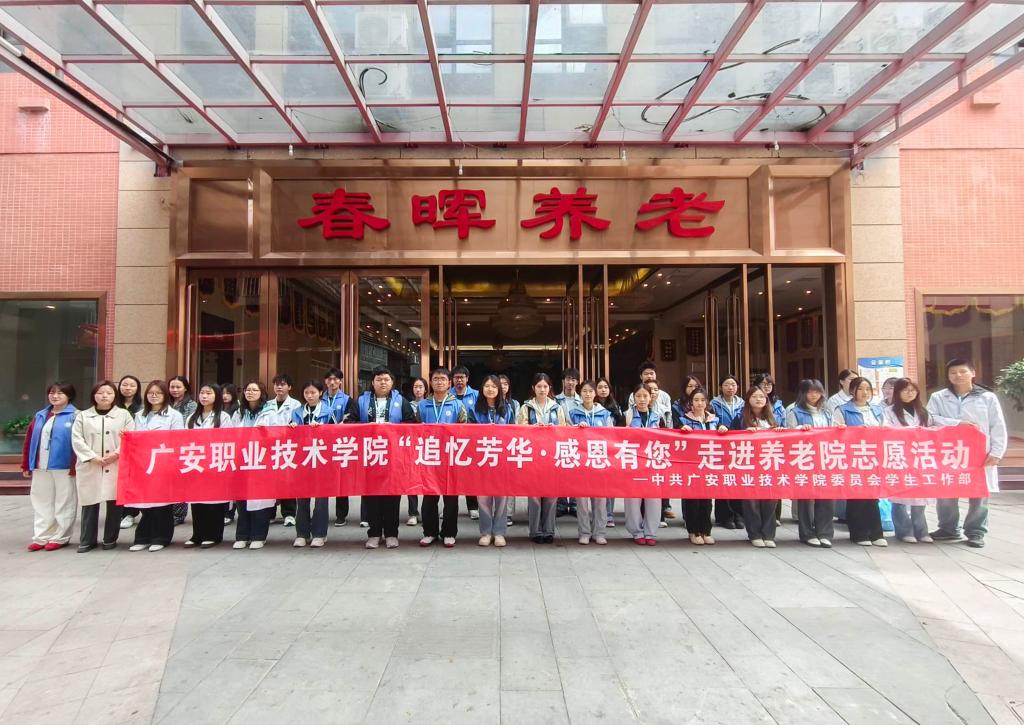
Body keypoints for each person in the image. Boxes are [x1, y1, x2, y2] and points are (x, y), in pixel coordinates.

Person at [927, 359, 1008, 548]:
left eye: (962, 371)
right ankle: (948, 528)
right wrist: (957, 423)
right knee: (946, 490)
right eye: (953, 372)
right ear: (948, 376)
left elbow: (998, 425)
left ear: (973, 373)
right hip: (948, 452)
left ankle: (976, 532)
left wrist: (997, 452)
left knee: (979, 493)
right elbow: (930, 419)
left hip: (979, 453)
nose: (958, 375)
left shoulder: (987, 397)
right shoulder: (939, 397)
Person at [883, 378, 953, 544]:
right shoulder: (889, 411)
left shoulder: (923, 411)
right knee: (900, 496)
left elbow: (937, 425)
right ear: (898, 392)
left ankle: (921, 530)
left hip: (920, 458)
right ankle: (904, 531)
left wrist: (962, 424)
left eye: (913, 390)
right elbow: (885, 429)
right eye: (905, 390)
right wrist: (912, 431)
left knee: (919, 496)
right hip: (899, 457)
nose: (910, 393)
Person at [357, 365, 417, 549]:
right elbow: (350, 422)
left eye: (386, 379)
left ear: (392, 382)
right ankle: (374, 533)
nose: (383, 383)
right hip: (370, 455)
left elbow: (411, 424)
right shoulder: (361, 400)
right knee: (372, 497)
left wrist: (394, 429)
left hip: (394, 456)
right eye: (379, 379)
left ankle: (391, 534)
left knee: (392, 496)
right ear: (372, 382)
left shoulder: (401, 401)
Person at [71, 381, 134, 553]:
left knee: (114, 503)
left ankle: (110, 539)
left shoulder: (124, 415)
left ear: (115, 396)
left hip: (116, 464)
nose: (104, 396)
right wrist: (93, 457)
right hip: (91, 465)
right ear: (94, 395)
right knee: (89, 502)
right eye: (100, 392)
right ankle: (87, 540)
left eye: (109, 393)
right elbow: (77, 439)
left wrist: (115, 454)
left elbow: (130, 437)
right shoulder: (83, 416)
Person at [22, 382, 78, 552]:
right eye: (52, 392)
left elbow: (78, 443)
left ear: (69, 396)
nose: (55, 396)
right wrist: (27, 464)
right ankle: (42, 536)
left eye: (60, 393)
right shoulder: (40, 415)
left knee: (64, 502)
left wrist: (75, 466)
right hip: (40, 465)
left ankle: (61, 536)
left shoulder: (75, 415)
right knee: (41, 501)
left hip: (64, 466)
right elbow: (29, 440)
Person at [129, 381, 185, 552]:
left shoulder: (174, 415)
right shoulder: (139, 415)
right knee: (145, 502)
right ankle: (143, 537)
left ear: (165, 395)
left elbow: (178, 440)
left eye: (158, 393)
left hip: (164, 462)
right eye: (150, 393)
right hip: (143, 463)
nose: (154, 396)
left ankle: (161, 537)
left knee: (162, 503)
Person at [417, 367, 468, 548]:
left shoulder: (458, 405)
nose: (439, 382)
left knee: (451, 498)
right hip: (429, 457)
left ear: (449, 383)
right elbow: (415, 430)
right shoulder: (423, 405)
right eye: (436, 379)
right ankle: (429, 532)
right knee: (429, 498)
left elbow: (465, 430)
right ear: (431, 382)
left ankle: (449, 532)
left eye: (443, 379)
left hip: (450, 457)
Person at [786, 379, 837, 548]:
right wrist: (800, 430)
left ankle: (825, 532)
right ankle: (807, 533)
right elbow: (789, 435)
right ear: (803, 393)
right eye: (809, 391)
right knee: (806, 498)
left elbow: (833, 432)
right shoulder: (795, 412)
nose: (814, 395)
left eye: (817, 391)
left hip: (825, 458)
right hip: (805, 458)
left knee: (827, 497)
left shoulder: (827, 412)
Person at [837, 377, 887, 547]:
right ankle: (858, 533)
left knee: (872, 495)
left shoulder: (877, 410)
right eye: (860, 389)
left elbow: (886, 429)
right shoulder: (842, 410)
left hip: (874, 458)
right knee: (857, 496)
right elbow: (835, 432)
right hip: (853, 458)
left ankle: (876, 533)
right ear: (852, 391)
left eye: (868, 389)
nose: (865, 392)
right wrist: (854, 432)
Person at [731, 387, 783, 548]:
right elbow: (730, 438)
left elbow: (784, 439)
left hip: (769, 463)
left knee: (770, 499)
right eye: (754, 396)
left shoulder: (773, 418)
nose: (759, 399)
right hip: (749, 464)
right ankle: (754, 534)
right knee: (751, 501)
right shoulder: (740, 418)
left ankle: (769, 534)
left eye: (762, 396)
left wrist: (779, 431)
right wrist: (743, 433)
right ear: (748, 399)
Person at [517, 373, 566, 543]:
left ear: (550, 388)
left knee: (551, 495)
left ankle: (549, 531)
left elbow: (564, 430)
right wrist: (532, 428)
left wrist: (555, 429)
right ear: (533, 388)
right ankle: (535, 531)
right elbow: (519, 429)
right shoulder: (526, 407)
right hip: (533, 457)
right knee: (534, 496)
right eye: (539, 386)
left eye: (545, 386)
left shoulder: (557, 407)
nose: (542, 390)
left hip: (552, 457)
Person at [674, 386, 726, 545]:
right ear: (690, 402)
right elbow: (675, 438)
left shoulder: (714, 420)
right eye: (696, 400)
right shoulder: (683, 420)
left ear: (707, 402)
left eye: (703, 400)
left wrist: (723, 429)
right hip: (691, 465)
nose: (699, 403)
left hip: (709, 464)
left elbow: (723, 436)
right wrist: (681, 430)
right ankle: (693, 531)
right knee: (692, 500)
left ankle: (706, 530)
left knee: (707, 501)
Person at [469, 375, 516, 547]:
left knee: (501, 497)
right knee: (483, 498)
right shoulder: (474, 409)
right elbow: (468, 434)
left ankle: (499, 532)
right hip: (481, 459)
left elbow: (514, 432)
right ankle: (486, 532)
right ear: (482, 389)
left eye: (494, 387)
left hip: (502, 459)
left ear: (499, 390)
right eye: (487, 386)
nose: (490, 389)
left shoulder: (507, 409)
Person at [185, 383, 232, 548]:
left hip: (215, 463)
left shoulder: (223, 417)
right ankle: (197, 535)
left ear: (216, 396)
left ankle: (213, 535)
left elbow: (228, 440)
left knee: (214, 502)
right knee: (197, 500)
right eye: (202, 393)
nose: (204, 396)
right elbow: (184, 440)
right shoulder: (192, 417)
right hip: (196, 463)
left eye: (208, 393)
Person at [289, 380, 332, 548]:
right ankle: (302, 533)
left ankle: (320, 534)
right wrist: (292, 428)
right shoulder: (297, 412)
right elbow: (288, 437)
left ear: (320, 393)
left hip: (322, 459)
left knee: (321, 499)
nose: (310, 396)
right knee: (302, 498)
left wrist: (323, 429)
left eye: (313, 392)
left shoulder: (328, 411)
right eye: (306, 393)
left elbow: (336, 435)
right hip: (302, 460)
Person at [232, 380, 274, 549]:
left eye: (254, 390)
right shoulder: (239, 412)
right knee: (242, 499)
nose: (250, 392)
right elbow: (231, 434)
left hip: (261, 459)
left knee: (260, 500)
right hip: (242, 459)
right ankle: (242, 535)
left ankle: (259, 535)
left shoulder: (270, 411)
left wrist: (265, 433)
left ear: (261, 393)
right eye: (248, 390)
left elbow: (278, 434)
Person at [568, 380, 611, 545]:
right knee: (582, 501)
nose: (587, 394)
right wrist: (576, 428)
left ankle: (599, 532)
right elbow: (566, 434)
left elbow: (611, 436)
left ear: (595, 393)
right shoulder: (573, 413)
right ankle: (584, 532)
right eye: (584, 391)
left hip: (599, 461)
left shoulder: (604, 413)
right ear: (580, 393)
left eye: (590, 391)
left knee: (600, 500)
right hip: (580, 462)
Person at [624, 383, 663, 546]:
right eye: (638, 396)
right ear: (633, 398)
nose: (642, 399)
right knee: (633, 499)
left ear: (650, 397)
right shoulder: (627, 415)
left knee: (654, 499)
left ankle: (651, 532)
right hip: (633, 462)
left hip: (653, 463)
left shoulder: (658, 416)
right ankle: (636, 531)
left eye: (645, 396)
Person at [322, 367, 360, 528]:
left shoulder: (347, 399)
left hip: (340, 444)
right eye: (329, 379)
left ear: (340, 381)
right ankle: (321, 514)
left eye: (335, 379)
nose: (332, 382)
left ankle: (341, 515)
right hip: (322, 445)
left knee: (340, 480)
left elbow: (351, 418)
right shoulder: (319, 398)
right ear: (325, 381)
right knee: (321, 480)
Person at [265, 374, 301, 527]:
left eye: (283, 384)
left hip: (287, 447)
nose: (279, 387)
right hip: (270, 448)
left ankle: (289, 514)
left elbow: (297, 424)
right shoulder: (267, 405)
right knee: (270, 481)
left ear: (289, 387)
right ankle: (270, 513)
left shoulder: (296, 404)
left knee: (287, 481)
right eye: (277, 384)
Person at [595, 377, 625, 528]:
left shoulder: (615, 406)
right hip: (595, 447)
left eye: (605, 387)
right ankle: (597, 514)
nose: (603, 390)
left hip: (612, 447)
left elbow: (621, 427)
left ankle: (609, 514)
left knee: (610, 483)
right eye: (600, 387)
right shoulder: (592, 404)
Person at [115, 375, 143, 529]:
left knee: (131, 482)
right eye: (124, 384)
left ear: (138, 388)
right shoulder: (113, 405)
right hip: (114, 447)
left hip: (134, 449)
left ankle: (130, 513)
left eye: (132, 385)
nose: (128, 388)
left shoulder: (142, 407)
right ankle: (117, 513)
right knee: (117, 482)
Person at [452, 365, 480, 519]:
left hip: (471, 440)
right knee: (452, 475)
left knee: (470, 474)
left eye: (462, 377)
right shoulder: (447, 394)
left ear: (467, 379)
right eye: (456, 377)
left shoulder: (476, 395)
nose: (459, 380)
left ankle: (473, 507)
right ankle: (451, 507)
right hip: (451, 441)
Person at [168, 375, 197, 525]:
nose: (175, 390)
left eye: (178, 387)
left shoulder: (191, 405)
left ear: (185, 388)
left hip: (183, 447)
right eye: (172, 387)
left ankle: (178, 514)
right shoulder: (166, 403)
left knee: (180, 482)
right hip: (166, 448)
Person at [555, 368, 583, 518]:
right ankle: (561, 504)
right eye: (568, 379)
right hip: (560, 439)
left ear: (577, 382)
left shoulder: (582, 399)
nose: (570, 382)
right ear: (563, 381)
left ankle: (573, 504)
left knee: (576, 473)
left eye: (573, 379)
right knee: (560, 472)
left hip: (578, 441)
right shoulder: (555, 400)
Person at [405, 376, 429, 527]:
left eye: (421, 387)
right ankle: (413, 513)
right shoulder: (407, 405)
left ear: (426, 389)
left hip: (429, 446)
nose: (418, 389)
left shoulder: (430, 404)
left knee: (428, 481)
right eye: (415, 387)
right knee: (411, 480)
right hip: (412, 446)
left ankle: (427, 512)